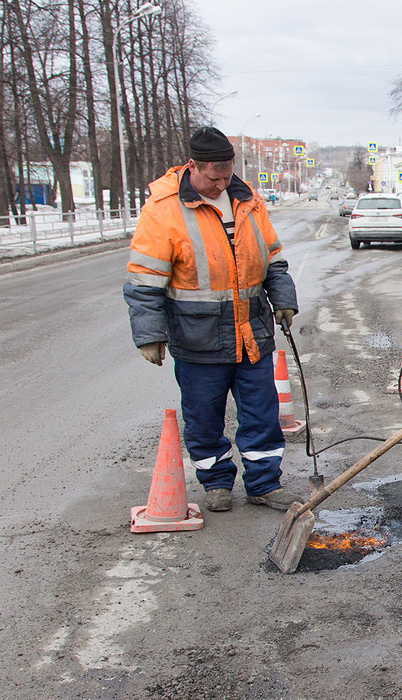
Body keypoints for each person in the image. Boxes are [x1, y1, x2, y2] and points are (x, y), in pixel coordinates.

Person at [123, 126, 305, 514]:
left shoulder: (247, 199)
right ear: (193, 166)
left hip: (252, 333)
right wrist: (149, 335)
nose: (221, 184)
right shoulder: (164, 208)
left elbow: (273, 260)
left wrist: (284, 301)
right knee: (204, 417)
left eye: (226, 175)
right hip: (198, 337)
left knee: (262, 413)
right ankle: (217, 483)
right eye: (213, 177)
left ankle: (264, 484)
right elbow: (144, 281)